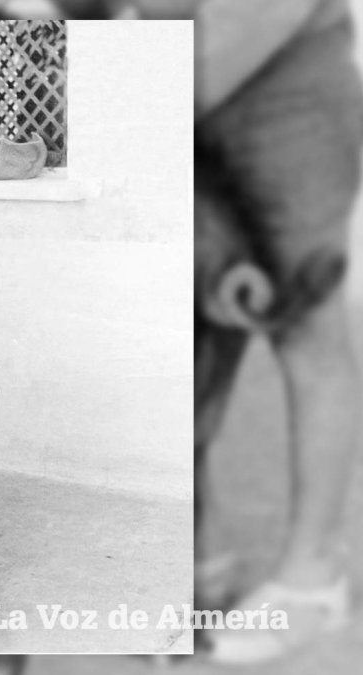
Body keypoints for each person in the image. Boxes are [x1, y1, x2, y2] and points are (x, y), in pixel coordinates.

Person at [186, 0, 363, 664]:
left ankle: (314, 578)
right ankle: (203, 549)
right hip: (168, 54)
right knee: (186, 316)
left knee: (304, 326)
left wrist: (160, 86)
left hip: (283, 78)